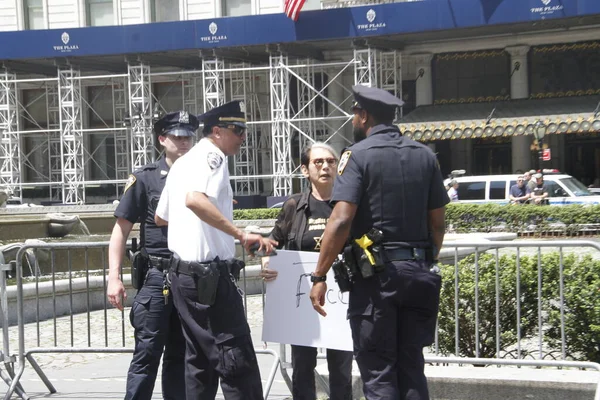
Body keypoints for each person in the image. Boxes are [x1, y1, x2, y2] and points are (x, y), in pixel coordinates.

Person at [308, 85, 448, 399]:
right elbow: (437, 225)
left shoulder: (357, 156)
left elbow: (342, 219)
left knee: (379, 371)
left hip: (378, 280)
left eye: (355, 115)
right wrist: (423, 261)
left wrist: (319, 276)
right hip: (421, 273)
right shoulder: (426, 156)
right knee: (412, 366)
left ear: (363, 115)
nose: (354, 120)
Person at [154, 100, 275, 400]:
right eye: (238, 130)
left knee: (199, 363)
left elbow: (161, 217)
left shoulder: (181, 163)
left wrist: (215, 214)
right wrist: (240, 233)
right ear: (217, 131)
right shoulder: (213, 156)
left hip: (184, 277)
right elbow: (195, 200)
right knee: (235, 360)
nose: (243, 136)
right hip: (208, 277)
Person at [107, 111, 196, 400]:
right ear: (162, 139)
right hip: (158, 276)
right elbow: (120, 230)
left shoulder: (200, 176)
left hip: (189, 275)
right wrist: (114, 278)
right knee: (147, 353)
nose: (183, 142)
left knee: (181, 355)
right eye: (177, 137)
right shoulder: (145, 179)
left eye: (188, 137)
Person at [261, 142, 353, 400]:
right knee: (302, 367)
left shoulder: (348, 204)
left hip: (340, 297)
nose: (325, 166)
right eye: (318, 162)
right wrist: (266, 263)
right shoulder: (294, 205)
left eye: (331, 161)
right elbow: (272, 241)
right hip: (301, 300)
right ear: (304, 170)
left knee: (342, 369)